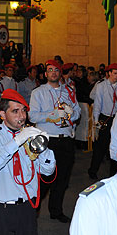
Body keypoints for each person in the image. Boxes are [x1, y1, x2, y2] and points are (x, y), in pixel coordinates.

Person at [0, 89, 56, 235]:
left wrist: (44, 148)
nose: (21, 116)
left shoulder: (30, 134)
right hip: (0, 208)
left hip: (27, 207)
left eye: (23, 111)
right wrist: (16, 141)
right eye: (15, 111)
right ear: (2, 114)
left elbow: (48, 171)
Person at [29, 59, 81, 223]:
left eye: (56, 70)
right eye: (50, 70)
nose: (53, 73)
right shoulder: (38, 92)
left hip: (65, 139)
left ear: (60, 74)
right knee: (44, 178)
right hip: (47, 140)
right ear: (45, 74)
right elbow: (32, 116)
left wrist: (71, 113)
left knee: (62, 179)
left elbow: (78, 112)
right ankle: (33, 210)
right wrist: (52, 116)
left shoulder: (69, 91)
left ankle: (56, 210)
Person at [88, 63, 117, 179]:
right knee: (100, 146)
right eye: (114, 73)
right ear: (109, 73)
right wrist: (96, 120)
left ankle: (114, 174)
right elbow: (97, 103)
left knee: (116, 146)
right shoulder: (101, 85)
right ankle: (93, 170)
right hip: (105, 117)